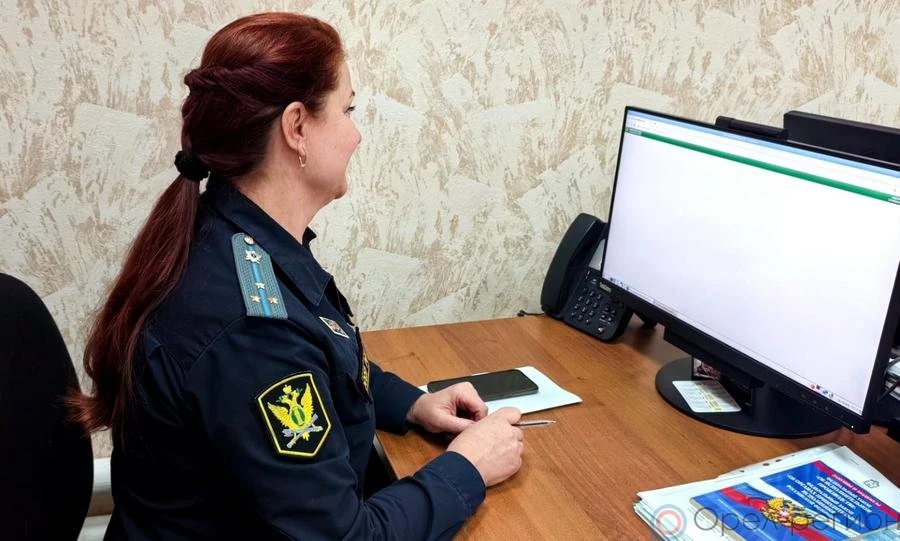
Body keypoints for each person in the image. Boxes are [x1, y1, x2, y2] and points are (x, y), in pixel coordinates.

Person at [69, 12, 525, 540]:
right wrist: (467, 468)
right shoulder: (251, 328)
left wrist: (413, 404)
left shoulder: (238, 238)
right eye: (347, 110)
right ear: (297, 128)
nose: (356, 135)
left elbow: (325, 361)